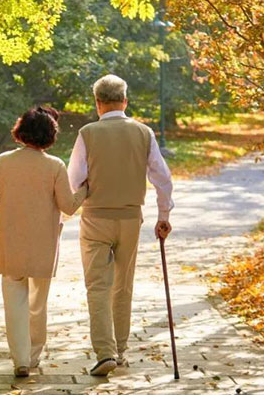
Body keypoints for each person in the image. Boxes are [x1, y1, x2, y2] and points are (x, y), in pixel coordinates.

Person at [67, 74, 174, 376]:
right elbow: (162, 178)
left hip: (95, 218)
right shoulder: (143, 133)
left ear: (98, 103)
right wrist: (163, 215)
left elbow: (74, 179)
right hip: (130, 219)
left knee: (97, 286)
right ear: (125, 101)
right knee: (123, 286)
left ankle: (105, 353)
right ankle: (122, 351)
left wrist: (69, 207)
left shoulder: (88, 133)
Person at [0, 106, 87, 378]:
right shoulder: (55, 166)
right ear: (50, 135)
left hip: (10, 243)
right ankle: (34, 355)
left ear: (21, 131)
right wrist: (84, 189)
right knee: (38, 304)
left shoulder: (3, 161)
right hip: (43, 244)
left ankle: (20, 359)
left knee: (13, 303)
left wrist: (5, 209)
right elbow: (68, 205)